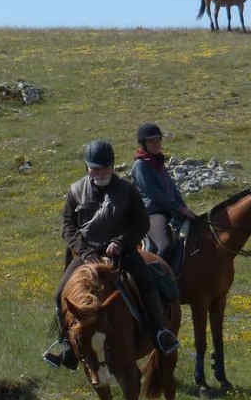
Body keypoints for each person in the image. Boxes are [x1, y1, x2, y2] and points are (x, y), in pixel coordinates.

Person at [44, 139, 178, 369]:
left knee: (147, 283)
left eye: (104, 168)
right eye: (94, 168)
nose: (99, 173)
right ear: (87, 167)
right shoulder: (76, 190)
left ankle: (159, 332)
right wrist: (84, 251)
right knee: (59, 295)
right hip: (87, 254)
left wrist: (120, 242)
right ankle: (66, 342)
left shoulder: (127, 190)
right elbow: (67, 225)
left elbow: (141, 223)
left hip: (122, 253)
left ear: (112, 166)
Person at [130, 123, 199, 273]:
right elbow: (154, 194)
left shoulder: (158, 162)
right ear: (144, 144)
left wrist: (184, 208)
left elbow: (172, 190)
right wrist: (179, 208)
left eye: (158, 140)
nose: (156, 144)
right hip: (152, 213)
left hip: (170, 210)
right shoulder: (140, 165)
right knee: (163, 245)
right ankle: (155, 279)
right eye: (151, 141)